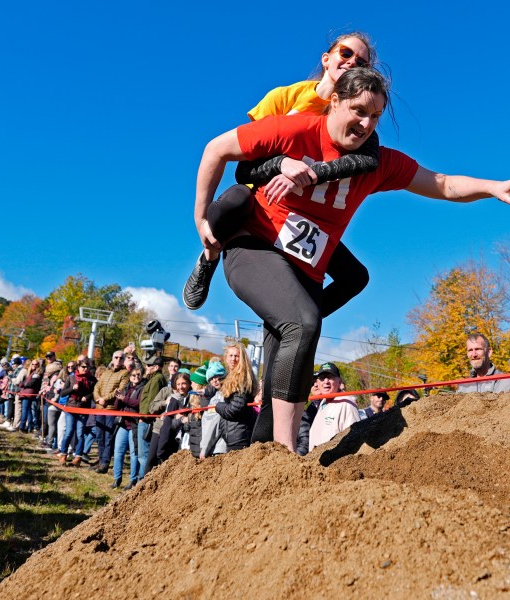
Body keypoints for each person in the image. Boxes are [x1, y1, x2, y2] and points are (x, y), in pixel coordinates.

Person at [192, 66, 510, 452]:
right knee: (303, 324)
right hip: (254, 246)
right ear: (335, 102)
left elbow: (442, 184)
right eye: (358, 110)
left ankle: (261, 458)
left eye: (375, 116)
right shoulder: (297, 131)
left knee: (294, 348)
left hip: (305, 270)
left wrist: (493, 186)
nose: (365, 123)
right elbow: (216, 149)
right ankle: (287, 454)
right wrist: (201, 214)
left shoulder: (377, 164)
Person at [183, 32, 379, 312]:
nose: (351, 63)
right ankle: (208, 257)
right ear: (327, 59)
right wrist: (281, 164)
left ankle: (295, 324)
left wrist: (312, 173)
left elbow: (369, 161)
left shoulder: (357, 119)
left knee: (356, 277)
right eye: (345, 53)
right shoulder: (284, 98)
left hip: (305, 216)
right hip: (260, 199)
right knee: (235, 201)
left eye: (361, 63)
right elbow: (243, 169)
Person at [213, 344, 258, 452]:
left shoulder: (241, 377)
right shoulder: (231, 375)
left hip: (239, 434)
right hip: (235, 433)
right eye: (231, 355)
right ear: (226, 357)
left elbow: (235, 409)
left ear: (242, 358)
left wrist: (218, 406)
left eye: (237, 356)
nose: (233, 359)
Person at [308, 363, 360, 452]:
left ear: (339, 382)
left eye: (330, 377)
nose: (326, 381)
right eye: (322, 378)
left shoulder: (346, 404)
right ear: (317, 382)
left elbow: (354, 440)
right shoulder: (322, 403)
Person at [92, 350, 129, 474]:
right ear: (112, 359)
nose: (118, 360)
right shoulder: (106, 372)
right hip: (99, 408)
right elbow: (97, 387)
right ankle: (101, 460)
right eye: (116, 357)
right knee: (99, 436)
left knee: (108, 437)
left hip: (111, 409)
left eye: (121, 358)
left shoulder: (125, 373)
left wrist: (104, 399)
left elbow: (119, 390)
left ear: (124, 360)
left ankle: (105, 463)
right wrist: (98, 398)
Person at [57, 357, 96, 467]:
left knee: (80, 433)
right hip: (71, 407)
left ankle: (78, 457)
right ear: (78, 367)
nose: (85, 369)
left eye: (87, 367)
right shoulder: (72, 378)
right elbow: (63, 393)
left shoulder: (91, 380)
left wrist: (87, 397)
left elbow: (94, 393)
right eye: (83, 367)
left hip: (83, 409)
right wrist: (72, 389)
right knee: (69, 431)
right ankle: (63, 454)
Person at [112, 367, 145, 489]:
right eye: (133, 375)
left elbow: (138, 403)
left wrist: (124, 398)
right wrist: (117, 397)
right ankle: (117, 478)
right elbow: (117, 407)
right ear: (130, 377)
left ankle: (132, 480)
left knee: (134, 453)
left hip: (134, 425)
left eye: (138, 375)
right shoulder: (126, 388)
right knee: (118, 451)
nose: (136, 377)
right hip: (123, 424)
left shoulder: (143, 388)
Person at [136, 356, 166, 480]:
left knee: (144, 455)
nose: (146, 367)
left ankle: (142, 482)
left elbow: (151, 402)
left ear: (157, 367)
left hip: (147, 420)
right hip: (145, 418)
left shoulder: (156, 379)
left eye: (149, 365)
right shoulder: (153, 378)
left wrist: (144, 417)